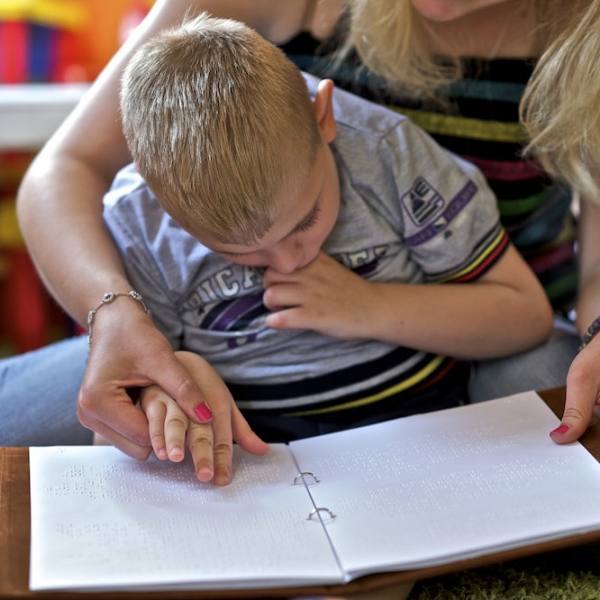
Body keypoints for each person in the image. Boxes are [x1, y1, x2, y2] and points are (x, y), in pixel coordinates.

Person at [5, 0, 598, 454]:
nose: (288, 264)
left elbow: (557, 288)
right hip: (234, 363)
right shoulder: (147, 210)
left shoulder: (393, 151)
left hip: (468, 333)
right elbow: (64, 170)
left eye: (306, 220)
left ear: (325, 117)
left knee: (556, 408)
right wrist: (117, 317)